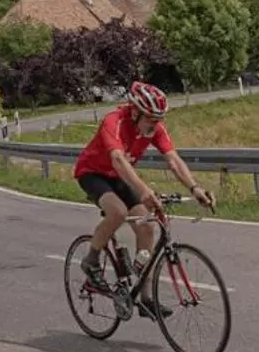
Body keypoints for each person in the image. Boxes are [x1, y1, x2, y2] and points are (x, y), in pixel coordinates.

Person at [72, 80, 215, 315]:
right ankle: (92, 258)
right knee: (117, 212)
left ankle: (145, 298)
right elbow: (117, 159)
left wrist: (195, 188)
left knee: (147, 226)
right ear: (135, 112)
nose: (156, 124)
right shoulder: (114, 121)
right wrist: (144, 190)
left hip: (122, 176)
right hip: (93, 174)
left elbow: (173, 160)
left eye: (159, 119)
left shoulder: (154, 128)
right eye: (151, 118)